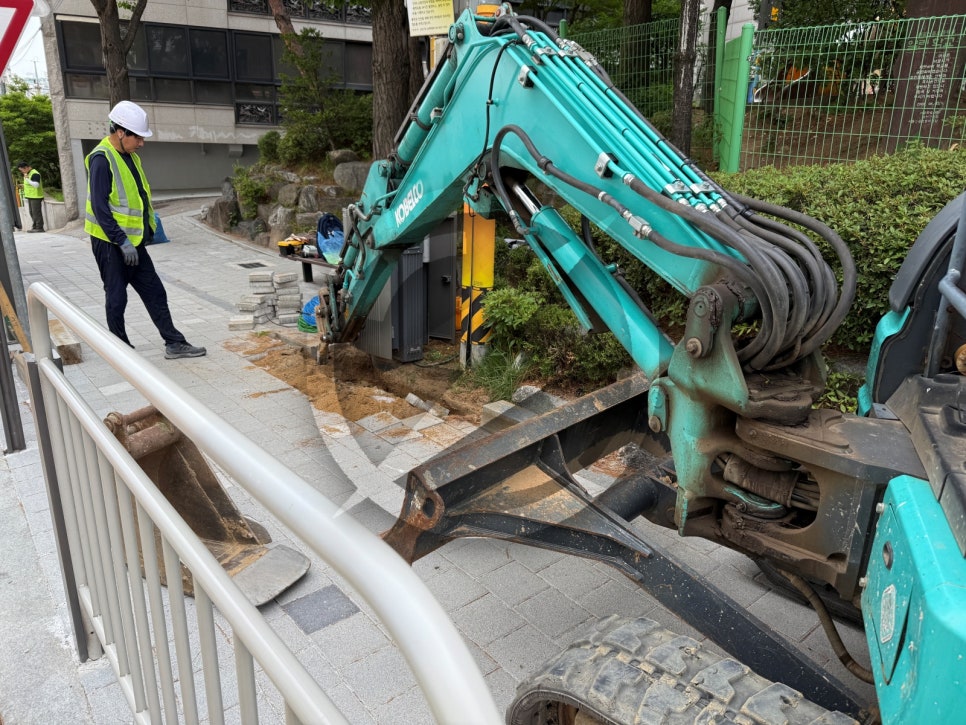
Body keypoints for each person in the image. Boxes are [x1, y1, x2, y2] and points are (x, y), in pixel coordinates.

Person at [85, 101, 206, 359]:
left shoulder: (131, 157)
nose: (141, 143)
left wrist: (147, 233)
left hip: (134, 242)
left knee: (155, 291)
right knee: (117, 297)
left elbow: (138, 197)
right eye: (138, 137)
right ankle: (120, 349)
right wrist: (121, 241)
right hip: (110, 243)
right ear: (121, 132)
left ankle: (174, 343)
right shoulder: (101, 159)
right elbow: (99, 207)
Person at [17, 161, 44, 232]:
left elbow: (36, 185)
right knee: (32, 212)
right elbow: (30, 184)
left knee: (36, 213)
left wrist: (27, 180)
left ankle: (39, 228)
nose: (22, 172)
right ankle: (35, 227)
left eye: (22, 170)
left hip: (36, 196)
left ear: (26, 168)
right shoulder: (28, 173)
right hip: (31, 196)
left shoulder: (35, 173)